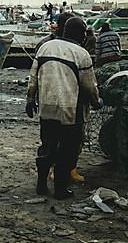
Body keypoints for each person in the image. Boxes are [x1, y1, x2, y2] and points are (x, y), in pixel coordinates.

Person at [26, 17, 101, 199]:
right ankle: (60, 190)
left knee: (47, 146)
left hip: (46, 107)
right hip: (70, 110)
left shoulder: (46, 47)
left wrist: (30, 99)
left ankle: (41, 185)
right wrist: (97, 102)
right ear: (81, 34)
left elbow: (33, 77)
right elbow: (90, 86)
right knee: (67, 151)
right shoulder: (81, 54)